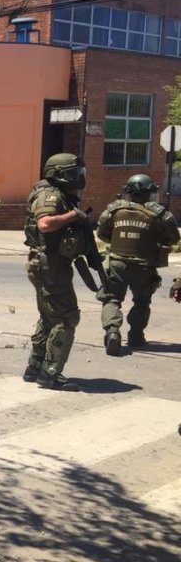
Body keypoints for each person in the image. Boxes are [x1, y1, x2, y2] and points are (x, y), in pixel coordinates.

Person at [22, 153, 90, 391]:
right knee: (66, 317)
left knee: (49, 317)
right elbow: (45, 223)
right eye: (75, 173)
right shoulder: (49, 195)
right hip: (49, 265)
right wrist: (73, 215)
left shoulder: (60, 194)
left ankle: (35, 367)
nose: (79, 177)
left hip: (50, 264)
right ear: (61, 175)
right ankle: (51, 374)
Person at [95, 174, 180, 353]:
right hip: (144, 266)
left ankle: (112, 332)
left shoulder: (114, 210)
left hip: (117, 263)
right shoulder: (159, 215)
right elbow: (173, 237)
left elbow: (102, 234)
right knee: (142, 302)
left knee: (111, 299)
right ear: (150, 193)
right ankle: (135, 335)